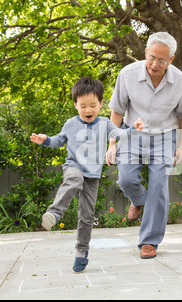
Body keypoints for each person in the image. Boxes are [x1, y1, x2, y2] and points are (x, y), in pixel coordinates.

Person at [30, 77, 144, 273]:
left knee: (87, 215)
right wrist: (45, 140)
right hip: (74, 166)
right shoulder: (70, 123)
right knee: (74, 179)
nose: (88, 110)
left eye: (93, 105)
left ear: (100, 103)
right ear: (75, 105)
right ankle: (55, 212)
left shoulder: (106, 123)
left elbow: (119, 135)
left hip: (93, 175)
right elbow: (58, 140)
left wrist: (133, 128)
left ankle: (82, 251)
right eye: (83, 106)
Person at [106, 32, 182, 259]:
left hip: (165, 136)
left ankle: (149, 242)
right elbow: (116, 111)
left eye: (162, 60)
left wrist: (181, 146)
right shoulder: (127, 75)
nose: (155, 64)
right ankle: (138, 200)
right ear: (145, 52)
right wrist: (112, 143)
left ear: (171, 60)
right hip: (132, 133)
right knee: (126, 179)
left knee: (158, 187)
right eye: (152, 57)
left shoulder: (180, 81)